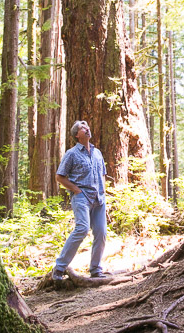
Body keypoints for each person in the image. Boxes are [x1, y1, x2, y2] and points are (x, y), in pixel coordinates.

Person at [51, 120, 108, 280]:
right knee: (82, 229)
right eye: (83, 128)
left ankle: (96, 269)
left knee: (101, 233)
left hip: (99, 199)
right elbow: (59, 176)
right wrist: (76, 190)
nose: (87, 129)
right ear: (77, 134)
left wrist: (103, 192)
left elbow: (103, 173)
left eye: (87, 126)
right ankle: (59, 268)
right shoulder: (72, 154)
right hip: (82, 198)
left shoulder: (97, 153)